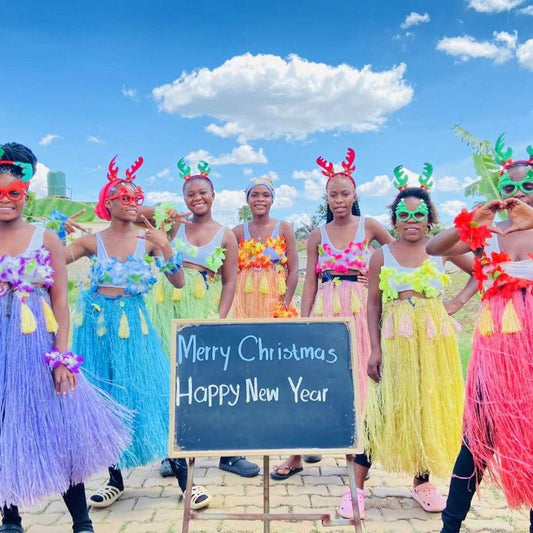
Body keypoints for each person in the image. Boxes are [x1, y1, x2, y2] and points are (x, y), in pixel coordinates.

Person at [66, 156, 211, 510]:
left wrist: (165, 245)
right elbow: (50, 262)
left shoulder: (149, 240)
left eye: (136, 197)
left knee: (153, 395)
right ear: (109, 203)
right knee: (105, 398)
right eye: (124, 198)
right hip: (96, 330)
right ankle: (114, 480)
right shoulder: (90, 242)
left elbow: (177, 281)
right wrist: (57, 230)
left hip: (137, 327)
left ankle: (185, 481)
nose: (131, 203)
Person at [0, 143, 129, 533]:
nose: (6, 201)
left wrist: (61, 358)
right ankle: (10, 515)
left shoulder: (46, 239)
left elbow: (60, 302)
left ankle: (81, 520)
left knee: (57, 425)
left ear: (26, 195)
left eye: (13, 194)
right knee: (5, 424)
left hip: (36, 348)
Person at [341, 168, 472, 520]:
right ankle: (356, 487)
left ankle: (423, 482)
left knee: (426, 404)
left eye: (418, 215)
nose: (411, 221)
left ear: (430, 219)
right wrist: (375, 348)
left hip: (434, 340)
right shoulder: (382, 254)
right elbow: (373, 304)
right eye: (404, 215)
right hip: (396, 337)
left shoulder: (441, 250)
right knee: (383, 407)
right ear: (395, 220)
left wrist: (457, 302)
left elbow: (485, 270)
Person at [426, 137, 533, 533]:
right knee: (477, 440)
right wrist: (474, 221)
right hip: (496, 347)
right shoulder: (489, 233)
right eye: (509, 187)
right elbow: (436, 246)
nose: (518, 193)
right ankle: (450, 526)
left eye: (528, 185)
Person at [270, 147, 393, 481]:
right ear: (326, 198)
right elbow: (309, 281)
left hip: (360, 311)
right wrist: (304, 321)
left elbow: (396, 254)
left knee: (361, 383)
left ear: (355, 195)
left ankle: (359, 454)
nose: (339, 200)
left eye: (345, 193)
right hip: (327, 311)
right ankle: (297, 453)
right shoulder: (316, 235)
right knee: (316, 380)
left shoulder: (370, 225)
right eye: (332, 195)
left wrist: (378, 276)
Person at [147, 158, 260, 479]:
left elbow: (230, 281)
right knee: (172, 376)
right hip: (167, 303)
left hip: (204, 304)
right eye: (189, 194)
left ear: (214, 195)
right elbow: (139, 214)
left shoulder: (226, 235)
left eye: (202, 193)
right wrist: (164, 212)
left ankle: (228, 452)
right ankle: (173, 453)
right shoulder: (173, 226)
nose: (196, 198)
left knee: (215, 377)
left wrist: (220, 317)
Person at [231, 176, 298, 318]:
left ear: (272, 200)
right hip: (246, 300)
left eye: (266, 195)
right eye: (254, 195)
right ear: (247, 200)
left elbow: (294, 269)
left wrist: (284, 304)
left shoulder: (284, 228)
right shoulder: (237, 232)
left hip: (276, 300)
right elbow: (227, 270)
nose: (260, 199)